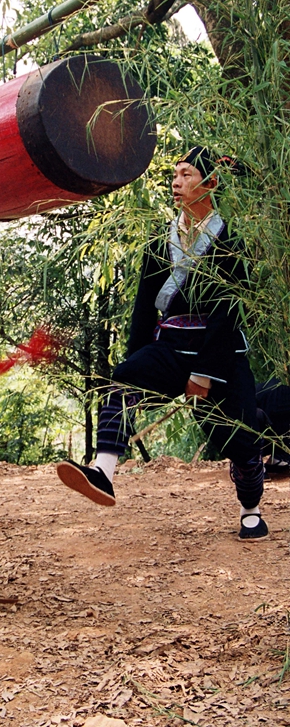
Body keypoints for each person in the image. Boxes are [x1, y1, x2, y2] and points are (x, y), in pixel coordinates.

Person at [57, 146, 268, 541]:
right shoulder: (161, 240)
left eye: (187, 175)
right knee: (124, 378)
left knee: (235, 439)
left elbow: (227, 314)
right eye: (175, 174)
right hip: (171, 346)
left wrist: (203, 375)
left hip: (220, 353)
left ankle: (251, 509)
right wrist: (138, 355)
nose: (176, 182)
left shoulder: (229, 241)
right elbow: (143, 308)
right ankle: (103, 471)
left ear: (211, 183)